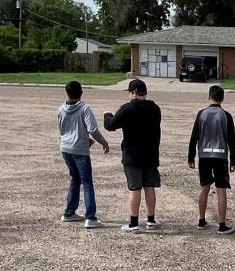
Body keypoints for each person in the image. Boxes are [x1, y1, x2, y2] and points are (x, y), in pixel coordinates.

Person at [104, 79, 162, 233]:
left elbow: (110, 125)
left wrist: (107, 115)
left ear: (134, 93)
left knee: (134, 188)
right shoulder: (155, 108)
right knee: (149, 187)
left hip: (132, 155)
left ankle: (134, 223)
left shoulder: (128, 109)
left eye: (130, 92)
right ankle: (150, 220)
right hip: (150, 153)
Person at [58, 81, 110, 229]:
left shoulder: (61, 109)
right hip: (79, 149)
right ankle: (90, 217)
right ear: (81, 92)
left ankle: (69, 213)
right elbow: (93, 129)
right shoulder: (84, 109)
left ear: (67, 93)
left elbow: (64, 129)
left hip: (66, 148)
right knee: (87, 182)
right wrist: (104, 142)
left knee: (75, 178)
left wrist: (84, 139)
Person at [188, 85, 235, 235]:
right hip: (220, 156)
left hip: (204, 156)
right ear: (222, 98)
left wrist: (191, 157)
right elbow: (231, 140)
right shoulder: (226, 115)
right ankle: (222, 224)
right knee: (221, 190)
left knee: (205, 187)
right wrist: (233, 160)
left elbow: (194, 135)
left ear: (209, 97)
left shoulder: (201, 114)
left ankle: (201, 220)